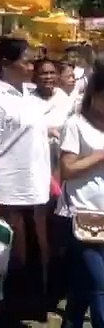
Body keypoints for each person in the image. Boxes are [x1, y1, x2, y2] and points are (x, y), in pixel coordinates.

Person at [0, 37, 52, 325]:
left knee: (33, 264)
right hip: (7, 191)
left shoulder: (29, 95)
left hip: (35, 192)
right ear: (7, 63)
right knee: (7, 264)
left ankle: (18, 318)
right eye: (27, 60)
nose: (32, 65)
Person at [59, 60, 104, 328]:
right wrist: (99, 157)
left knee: (82, 285)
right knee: (100, 284)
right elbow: (66, 169)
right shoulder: (76, 124)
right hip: (85, 216)